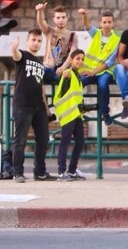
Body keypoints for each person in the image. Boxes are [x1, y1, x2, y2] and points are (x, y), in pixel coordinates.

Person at [10, 28, 57, 183]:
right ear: (28, 41)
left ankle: (40, 172)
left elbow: (41, 86)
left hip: (39, 107)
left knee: (43, 140)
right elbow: (15, 55)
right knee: (20, 140)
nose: (36, 43)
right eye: (33, 40)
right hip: (23, 105)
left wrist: (47, 108)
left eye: (39, 41)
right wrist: (13, 47)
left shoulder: (39, 62)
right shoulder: (23, 55)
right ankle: (17, 172)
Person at [78, 9, 120, 126]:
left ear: (113, 24)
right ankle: (80, 107)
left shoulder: (117, 41)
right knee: (79, 82)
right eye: (104, 22)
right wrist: (84, 15)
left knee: (102, 85)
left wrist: (93, 72)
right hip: (90, 69)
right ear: (101, 23)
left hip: (104, 71)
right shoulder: (96, 33)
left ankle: (105, 112)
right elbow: (87, 25)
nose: (106, 25)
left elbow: (109, 62)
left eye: (109, 22)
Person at [53, 49, 87, 181]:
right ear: (71, 60)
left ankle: (72, 170)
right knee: (65, 142)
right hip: (68, 114)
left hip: (76, 114)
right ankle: (61, 172)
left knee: (80, 141)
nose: (80, 61)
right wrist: (64, 68)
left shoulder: (78, 76)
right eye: (77, 58)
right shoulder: (69, 73)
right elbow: (65, 74)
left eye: (82, 59)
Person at [35, 3, 78, 84]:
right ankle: (42, 97)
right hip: (47, 68)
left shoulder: (73, 35)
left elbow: (72, 54)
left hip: (63, 70)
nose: (61, 20)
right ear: (54, 19)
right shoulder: (49, 31)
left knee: (71, 80)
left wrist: (63, 67)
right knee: (35, 78)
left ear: (67, 18)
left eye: (63, 17)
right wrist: (40, 11)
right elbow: (41, 21)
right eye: (58, 17)